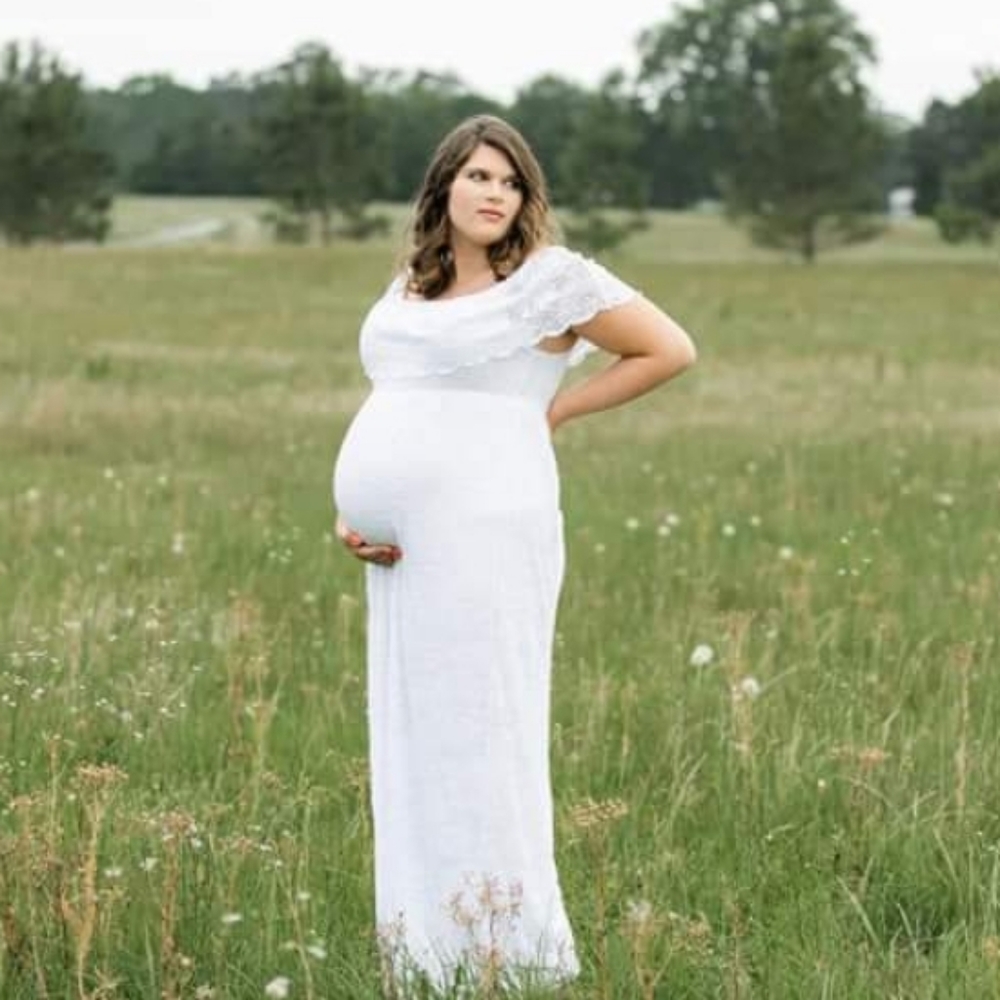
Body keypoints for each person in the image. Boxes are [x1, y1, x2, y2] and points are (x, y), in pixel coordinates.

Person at [331, 114, 697, 996]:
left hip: (489, 526)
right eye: (479, 177)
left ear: (527, 200)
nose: (495, 194)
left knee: (480, 725)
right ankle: (426, 947)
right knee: (415, 732)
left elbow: (669, 348)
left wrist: (557, 411)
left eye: (512, 182)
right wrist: (358, 510)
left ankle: (507, 948)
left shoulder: (550, 284)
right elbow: (404, 401)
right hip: (403, 548)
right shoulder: (411, 286)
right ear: (444, 188)